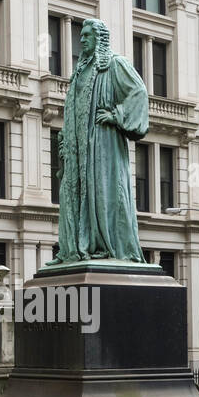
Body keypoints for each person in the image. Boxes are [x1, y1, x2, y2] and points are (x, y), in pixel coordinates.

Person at [46, 18, 150, 265]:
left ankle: (108, 246)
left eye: (87, 35)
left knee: (104, 192)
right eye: (81, 35)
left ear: (99, 38)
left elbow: (139, 93)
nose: (81, 39)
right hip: (77, 148)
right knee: (74, 194)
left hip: (103, 145)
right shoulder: (80, 71)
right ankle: (73, 250)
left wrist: (116, 116)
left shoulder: (114, 64)